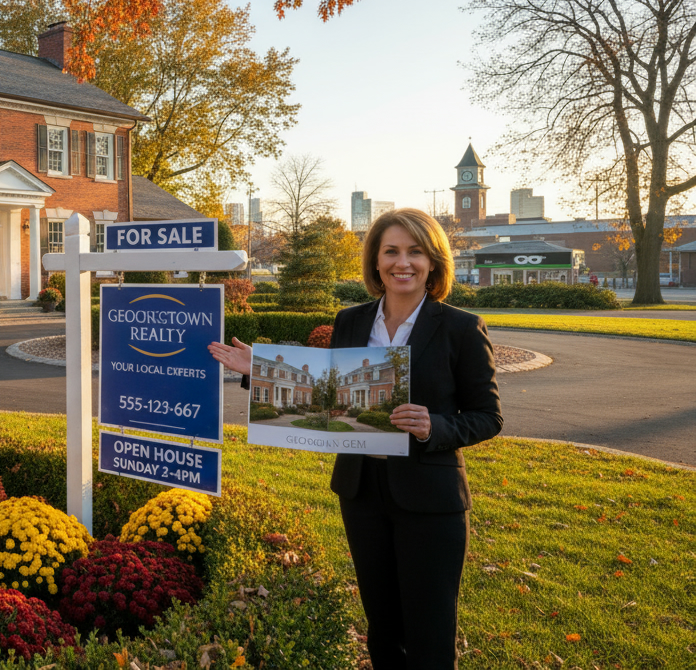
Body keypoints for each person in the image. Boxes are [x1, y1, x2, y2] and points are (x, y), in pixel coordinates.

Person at [209, 208, 501, 669]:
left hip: (431, 499)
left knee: (430, 633)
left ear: (434, 261)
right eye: (391, 251)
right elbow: (328, 394)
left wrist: (435, 426)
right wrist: (259, 371)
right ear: (375, 260)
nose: (402, 262)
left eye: (415, 251)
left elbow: (488, 416)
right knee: (382, 629)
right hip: (361, 492)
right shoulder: (350, 321)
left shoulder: (461, 328)